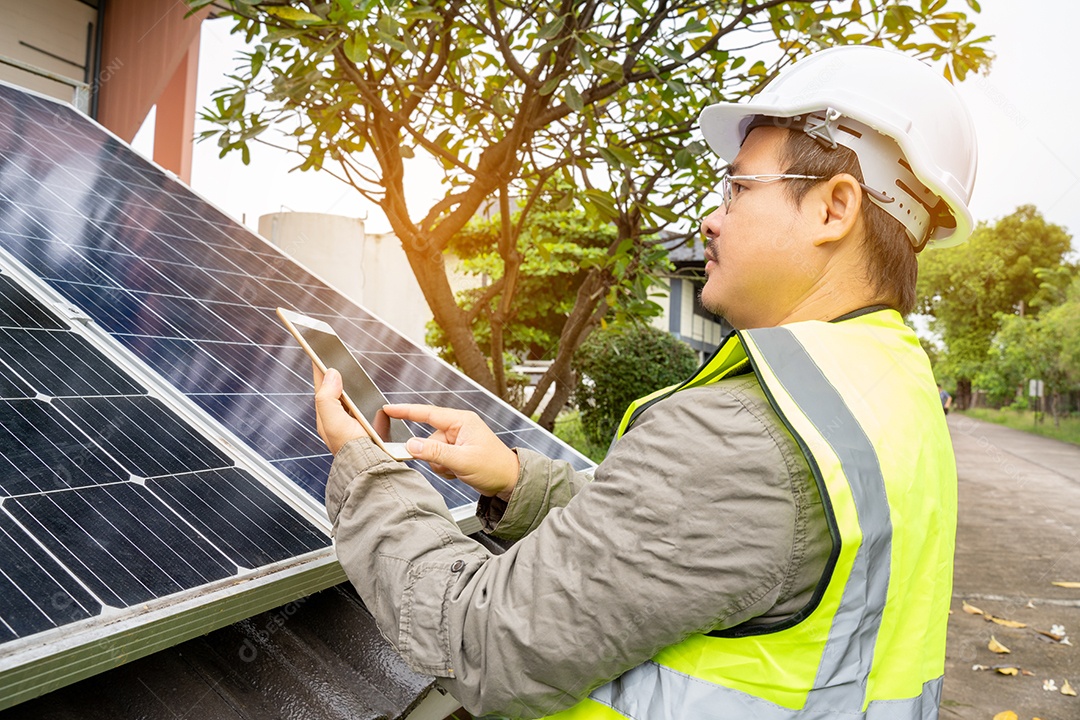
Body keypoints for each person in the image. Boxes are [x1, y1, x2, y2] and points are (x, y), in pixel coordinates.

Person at [310, 45, 974, 719]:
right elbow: (695, 546)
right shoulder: (891, 390)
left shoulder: (741, 437)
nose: (713, 218)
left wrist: (365, 466)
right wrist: (517, 478)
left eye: (740, 188)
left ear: (834, 209)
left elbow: (482, 642)